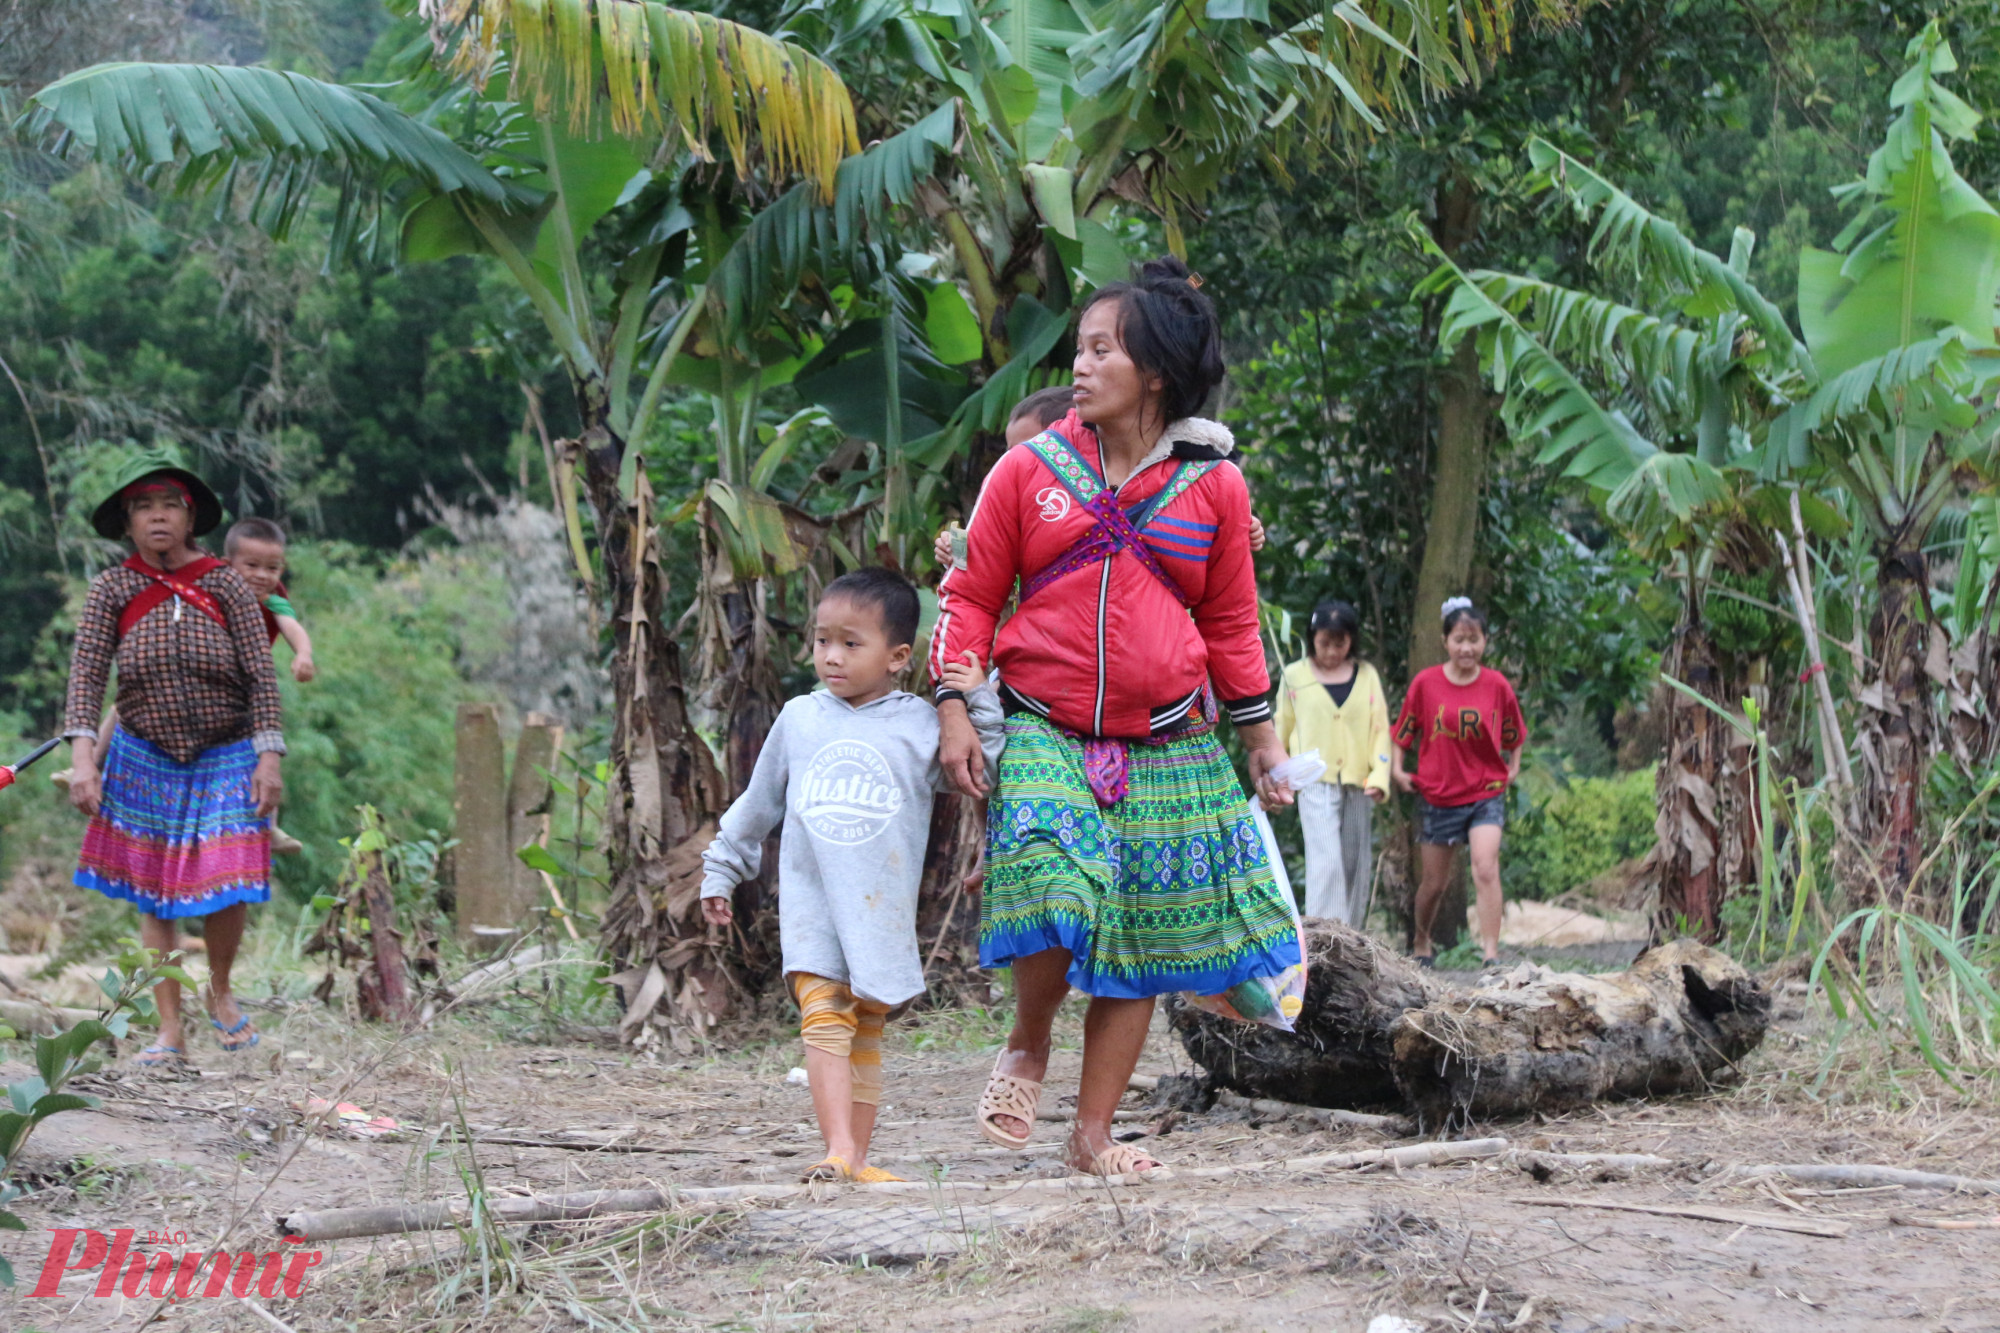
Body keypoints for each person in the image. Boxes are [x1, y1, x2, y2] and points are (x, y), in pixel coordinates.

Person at [932, 256, 1299, 1178]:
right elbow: (971, 595)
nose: (1082, 366)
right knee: (1056, 881)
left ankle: (1092, 1137)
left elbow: (1230, 622)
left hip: (1171, 741)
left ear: (1157, 373)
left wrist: (1264, 744)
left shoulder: (1216, 487)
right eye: (1080, 348)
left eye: (1103, 349)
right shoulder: (1027, 471)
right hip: (1044, 721)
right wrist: (953, 707)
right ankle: (1026, 1041)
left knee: (1137, 933)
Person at [699, 568, 1004, 1184]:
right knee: (823, 1012)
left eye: (850, 643)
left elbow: (984, 768)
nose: (831, 657)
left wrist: (978, 699)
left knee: (865, 1024)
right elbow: (757, 806)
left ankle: (855, 1161)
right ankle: (836, 1149)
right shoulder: (800, 718)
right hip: (813, 903)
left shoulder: (921, 724)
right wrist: (721, 870)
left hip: (880, 908)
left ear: (897, 657)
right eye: (821, 641)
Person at [62, 452, 285, 1065]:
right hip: (141, 752)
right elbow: (85, 677)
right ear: (128, 523)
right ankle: (169, 1032)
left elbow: (262, 676)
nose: (157, 517)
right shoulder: (112, 587)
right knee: (153, 894)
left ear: (191, 520)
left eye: (169, 506)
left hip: (227, 750)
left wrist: (269, 757)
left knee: (229, 875)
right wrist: (84, 760)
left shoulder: (225, 583)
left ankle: (219, 990)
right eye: (143, 507)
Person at [1391, 597, 1526, 968]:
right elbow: (1404, 729)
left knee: (1485, 866)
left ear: (1485, 642)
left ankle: (1491, 955)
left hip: (1485, 792)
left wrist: (1512, 765)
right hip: (1438, 793)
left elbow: (1514, 731)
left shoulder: (1497, 685)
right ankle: (1421, 941)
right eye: (1459, 640)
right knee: (1434, 883)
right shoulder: (1425, 683)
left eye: (1474, 639)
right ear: (1445, 641)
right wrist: (1399, 768)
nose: (1467, 648)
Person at [1274, 599, 1391, 926]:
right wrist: (1278, 775)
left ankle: (1352, 937)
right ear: (1312, 638)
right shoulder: (1294, 676)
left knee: (1355, 861)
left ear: (1352, 640)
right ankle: (1325, 936)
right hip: (1313, 780)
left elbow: (1379, 728)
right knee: (1325, 861)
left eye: (1339, 643)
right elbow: (1281, 725)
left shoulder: (1366, 676)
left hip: (1359, 781)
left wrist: (1380, 775)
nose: (1330, 651)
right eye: (1324, 642)